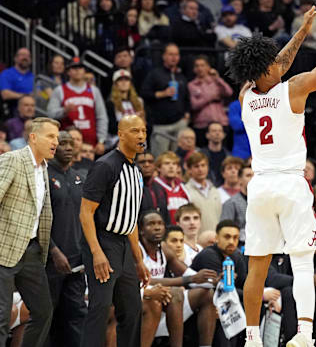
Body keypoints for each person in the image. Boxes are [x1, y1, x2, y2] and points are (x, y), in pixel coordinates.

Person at [228, 0, 316, 347]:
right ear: (266, 69)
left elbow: (276, 63)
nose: (278, 63)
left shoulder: (245, 95)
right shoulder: (294, 89)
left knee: (257, 267)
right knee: (301, 263)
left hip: (260, 187)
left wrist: (301, 31)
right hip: (291, 184)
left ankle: (252, 339)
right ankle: (305, 335)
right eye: (272, 62)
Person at [0, 117, 61, 347]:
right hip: (2, 247)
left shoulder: (44, 167)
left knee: (43, 312)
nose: (56, 141)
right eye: (51, 136)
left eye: (57, 137)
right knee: (0, 316)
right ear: (33, 137)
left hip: (32, 250)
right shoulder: (10, 160)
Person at [79, 115, 150, 347]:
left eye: (143, 131)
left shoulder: (136, 172)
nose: (141, 136)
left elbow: (131, 220)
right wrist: (96, 252)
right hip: (103, 241)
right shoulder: (105, 165)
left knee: (132, 311)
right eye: (134, 131)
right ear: (120, 134)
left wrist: (139, 260)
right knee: (99, 311)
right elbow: (85, 213)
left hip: (124, 248)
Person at [137, 211, 218, 347]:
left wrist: (212, 281)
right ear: (141, 230)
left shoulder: (164, 249)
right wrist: (191, 279)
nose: (157, 227)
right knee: (175, 292)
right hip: (142, 295)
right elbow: (144, 281)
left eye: (160, 224)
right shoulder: (137, 250)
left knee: (206, 293)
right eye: (151, 224)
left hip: (165, 297)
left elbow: (187, 273)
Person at [46, 131, 87, 347]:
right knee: (47, 318)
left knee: (76, 315)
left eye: (71, 143)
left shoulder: (80, 177)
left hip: (77, 259)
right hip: (49, 260)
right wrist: (53, 250)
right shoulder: (42, 176)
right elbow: (36, 221)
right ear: (53, 147)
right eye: (63, 143)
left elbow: (89, 218)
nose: (69, 147)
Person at [47, 58, 108, 153]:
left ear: (84, 71)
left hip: (91, 146)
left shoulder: (94, 91)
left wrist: (101, 140)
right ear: (68, 71)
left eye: (80, 67)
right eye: (73, 68)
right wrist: (64, 111)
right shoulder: (60, 90)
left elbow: (101, 117)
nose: (77, 70)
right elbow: (50, 114)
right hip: (67, 146)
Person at [140, 44, 191, 157]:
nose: (174, 57)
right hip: (161, 126)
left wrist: (187, 114)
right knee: (160, 159)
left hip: (179, 124)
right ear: (164, 56)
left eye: (176, 54)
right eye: (170, 54)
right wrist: (162, 94)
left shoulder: (180, 76)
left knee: (179, 159)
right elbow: (144, 93)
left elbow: (187, 98)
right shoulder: (155, 74)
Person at [183, 151, 222, 233]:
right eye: (196, 166)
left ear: (207, 167)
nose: (200, 169)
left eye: (203, 165)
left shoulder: (215, 191)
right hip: (196, 239)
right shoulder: (185, 190)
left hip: (216, 238)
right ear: (189, 170)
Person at [152, 151, 190, 223]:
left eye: (174, 164)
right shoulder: (153, 187)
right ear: (159, 168)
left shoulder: (184, 187)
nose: (171, 167)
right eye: (167, 163)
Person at [221, 164, 253, 244]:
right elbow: (225, 230)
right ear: (239, 180)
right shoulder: (231, 203)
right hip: (239, 246)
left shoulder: (262, 202)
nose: (253, 178)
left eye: (255, 175)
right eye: (248, 175)